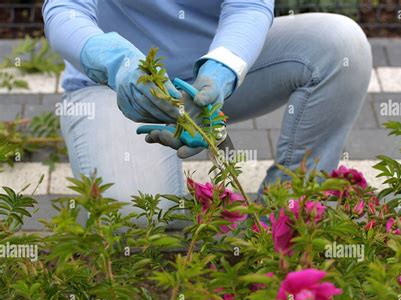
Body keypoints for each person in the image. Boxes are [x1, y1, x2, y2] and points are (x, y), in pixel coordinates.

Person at [42, 0, 372, 211]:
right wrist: (116, 63)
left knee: (340, 46)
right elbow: (64, 10)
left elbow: (249, 6)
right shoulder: (115, 73)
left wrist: (221, 69)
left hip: (209, 68)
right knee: (133, 213)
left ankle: (287, 212)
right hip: (115, 88)